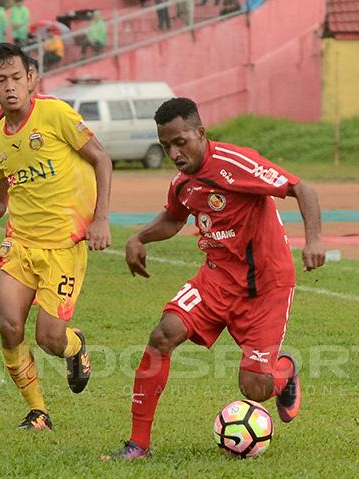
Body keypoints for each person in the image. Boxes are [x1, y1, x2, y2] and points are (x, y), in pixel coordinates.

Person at [101, 97, 325, 460]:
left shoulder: (236, 163)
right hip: (217, 278)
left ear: (200, 133)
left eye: (180, 142)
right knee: (162, 335)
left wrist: (314, 239)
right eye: (165, 146)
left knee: (254, 387)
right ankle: (138, 444)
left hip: (265, 285)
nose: (174, 152)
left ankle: (283, 372)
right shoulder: (183, 183)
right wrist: (138, 238)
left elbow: (303, 189)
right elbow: (173, 219)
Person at [0, 43, 112, 430]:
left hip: (63, 247)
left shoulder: (54, 114)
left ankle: (75, 345)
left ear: (31, 78)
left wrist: (101, 219)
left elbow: (101, 157)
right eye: (1, 80)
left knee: (50, 339)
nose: (10, 86)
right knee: (8, 325)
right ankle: (38, 412)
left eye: (17, 77)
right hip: (20, 244)